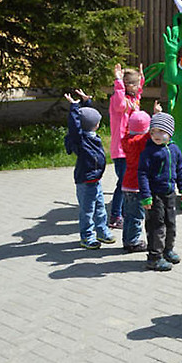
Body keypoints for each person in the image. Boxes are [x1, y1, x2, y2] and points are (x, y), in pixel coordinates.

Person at [64, 89, 116, 250]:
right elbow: (76, 125)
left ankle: (102, 231)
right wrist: (74, 107)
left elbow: (86, 117)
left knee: (100, 209)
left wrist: (86, 102)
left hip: (96, 180)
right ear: (96, 125)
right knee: (87, 211)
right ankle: (87, 236)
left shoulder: (91, 134)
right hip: (86, 181)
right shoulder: (81, 139)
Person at [138, 112, 182, 271]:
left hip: (169, 193)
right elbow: (142, 174)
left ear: (170, 132)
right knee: (156, 225)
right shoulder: (149, 152)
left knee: (170, 223)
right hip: (154, 195)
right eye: (153, 132)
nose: (156, 135)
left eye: (161, 131)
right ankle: (154, 257)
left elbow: (180, 169)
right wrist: (146, 196)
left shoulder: (174, 149)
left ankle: (168, 250)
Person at [120, 102, 162, 253]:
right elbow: (153, 134)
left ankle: (127, 240)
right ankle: (133, 242)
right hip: (138, 186)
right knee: (137, 216)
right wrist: (157, 115)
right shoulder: (142, 142)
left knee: (129, 215)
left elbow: (128, 129)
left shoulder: (126, 140)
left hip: (127, 184)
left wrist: (129, 113)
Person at [108, 63, 144, 229]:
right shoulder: (119, 102)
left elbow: (139, 93)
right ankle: (115, 216)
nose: (137, 87)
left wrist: (141, 79)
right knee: (122, 183)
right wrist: (118, 81)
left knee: (127, 182)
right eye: (134, 84)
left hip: (131, 148)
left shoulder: (133, 99)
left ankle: (123, 212)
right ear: (127, 86)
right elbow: (120, 103)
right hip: (121, 151)